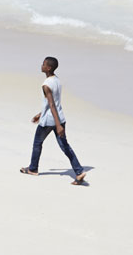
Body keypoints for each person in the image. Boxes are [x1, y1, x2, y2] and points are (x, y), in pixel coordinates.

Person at [20, 56, 87, 185]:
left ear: (48, 68)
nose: (41, 65)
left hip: (50, 121)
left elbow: (51, 104)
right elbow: (53, 102)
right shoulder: (56, 80)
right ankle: (79, 172)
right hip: (59, 118)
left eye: (44, 64)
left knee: (37, 143)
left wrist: (57, 125)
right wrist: (40, 114)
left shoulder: (46, 85)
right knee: (65, 146)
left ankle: (33, 168)